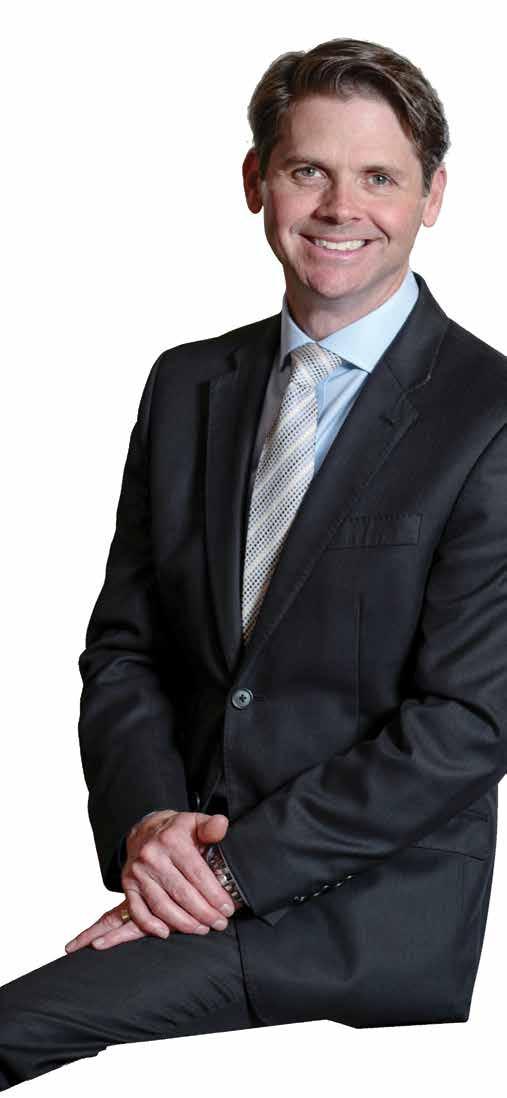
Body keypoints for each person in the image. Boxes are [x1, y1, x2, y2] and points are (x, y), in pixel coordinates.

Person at [1, 34, 506, 1088]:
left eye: (380, 178)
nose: (339, 207)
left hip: (366, 909)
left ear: (433, 197)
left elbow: (468, 724)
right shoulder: (187, 383)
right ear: (255, 181)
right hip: (189, 872)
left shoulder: (489, 413)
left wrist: (229, 874)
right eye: (307, 169)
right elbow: (127, 650)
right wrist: (151, 828)